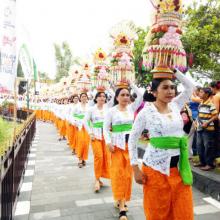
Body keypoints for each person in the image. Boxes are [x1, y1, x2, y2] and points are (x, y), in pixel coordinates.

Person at [128, 69, 195, 220]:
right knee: (157, 212)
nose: (170, 91)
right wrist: (135, 168)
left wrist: (174, 70)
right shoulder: (146, 112)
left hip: (179, 168)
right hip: (155, 170)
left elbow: (190, 87)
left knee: (183, 211)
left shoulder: (176, 105)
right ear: (154, 92)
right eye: (165, 87)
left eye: (172, 87)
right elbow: (132, 139)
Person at [103, 83, 142, 220]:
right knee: (118, 175)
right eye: (122, 95)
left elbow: (141, 96)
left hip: (130, 147)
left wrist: (131, 84)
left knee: (127, 176)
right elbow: (106, 128)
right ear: (117, 97)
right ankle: (121, 208)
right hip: (117, 148)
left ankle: (122, 199)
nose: (126, 97)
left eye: (127, 95)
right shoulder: (111, 111)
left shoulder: (131, 108)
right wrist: (108, 142)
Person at [84, 91, 112, 192]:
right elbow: (85, 121)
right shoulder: (91, 109)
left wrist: (107, 88)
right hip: (95, 136)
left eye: (104, 96)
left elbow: (114, 96)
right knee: (98, 156)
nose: (102, 98)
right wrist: (90, 133)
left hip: (106, 136)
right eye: (99, 96)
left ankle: (100, 177)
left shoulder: (107, 109)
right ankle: (97, 179)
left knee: (105, 157)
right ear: (95, 98)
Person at [196, 87, 218, 171]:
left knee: (208, 146)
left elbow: (215, 116)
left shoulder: (210, 104)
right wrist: (196, 122)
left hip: (208, 129)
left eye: (201, 92)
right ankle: (203, 162)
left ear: (206, 94)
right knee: (199, 146)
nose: (199, 93)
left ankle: (210, 164)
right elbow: (199, 114)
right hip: (199, 128)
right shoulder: (201, 102)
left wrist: (207, 122)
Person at [73, 92, 90, 168]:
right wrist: (75, 122)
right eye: (82, 96)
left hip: (87, 127)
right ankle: (80, 159)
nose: (84, 98)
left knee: (86, 143)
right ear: (80, 98)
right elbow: (73, 115)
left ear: (87, 98)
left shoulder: (89, 107)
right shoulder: (77, 106)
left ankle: (84, 158)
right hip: (79, 126)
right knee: (81, 142)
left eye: (85, 96)